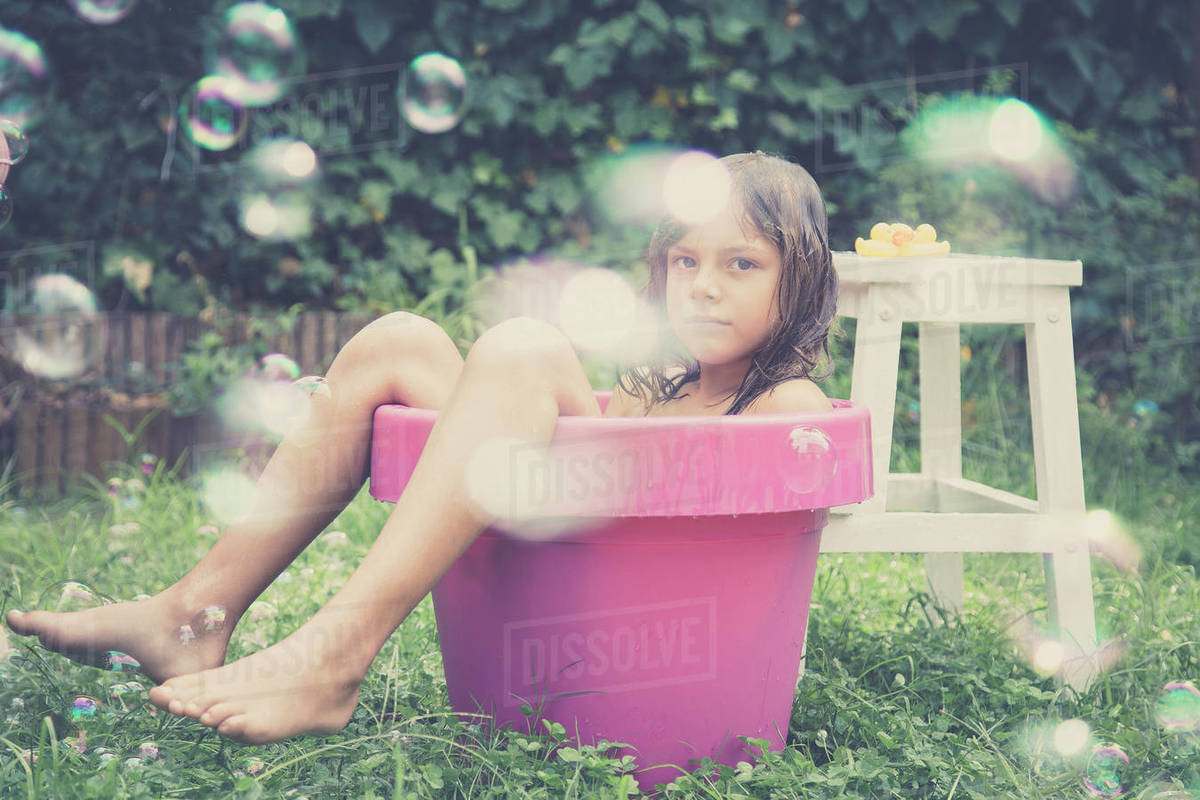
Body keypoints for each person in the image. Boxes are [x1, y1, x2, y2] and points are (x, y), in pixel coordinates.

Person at [4, 150, 838, 745]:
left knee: (519, 346)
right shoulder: (657, 380)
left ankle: (336, 654)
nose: (702, 283)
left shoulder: (785, 403)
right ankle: (196, 610)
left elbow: (670, 520)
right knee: (397, 340)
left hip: (635, 628)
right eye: (684, 258)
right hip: (550, 531)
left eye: (741, 263)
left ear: (797, 281)